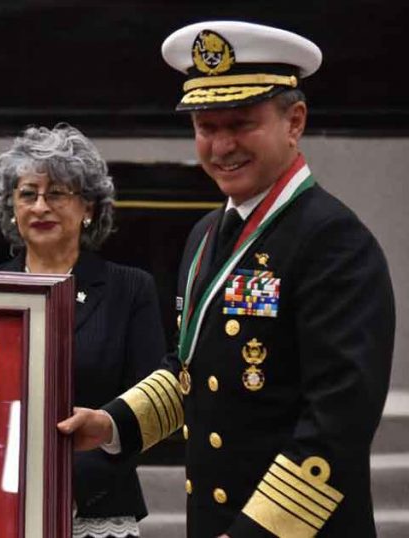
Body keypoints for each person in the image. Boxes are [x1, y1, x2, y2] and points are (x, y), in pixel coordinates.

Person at [59, 21, 395, 537]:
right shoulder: (206, 233)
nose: (220, 146)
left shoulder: (334, 242)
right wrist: (112, 424)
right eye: (205, 127)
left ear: (295, 121)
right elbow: (193, 369)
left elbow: (336, 427)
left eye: (240, 124)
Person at [0, 124, 165, 537]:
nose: (40, 207)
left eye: (57, 194)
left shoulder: (130, 289)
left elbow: (148, 405)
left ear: (88, 207)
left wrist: (62, 487)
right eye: (27, 194)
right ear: (11, 208)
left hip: (95, 508)